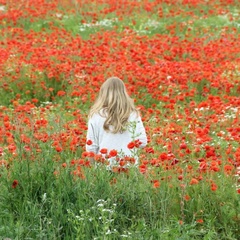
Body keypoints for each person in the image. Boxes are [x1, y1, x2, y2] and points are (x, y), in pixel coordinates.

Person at [86, 77, 147, 170]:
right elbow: (142, 142)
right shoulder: (133, 114)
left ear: (103, 93)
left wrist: (93, 170)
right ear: (124, 93)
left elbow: (91, 148)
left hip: (104, 168)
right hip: (129, 167)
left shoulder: (96, 115)